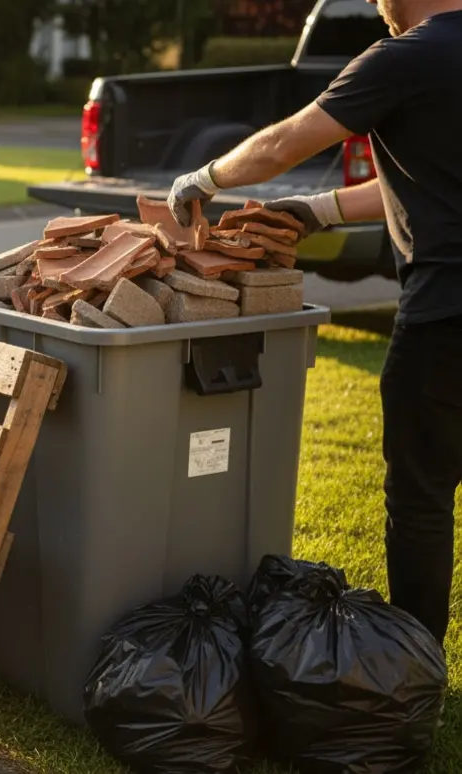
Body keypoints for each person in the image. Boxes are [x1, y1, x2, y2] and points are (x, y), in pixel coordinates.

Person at [167, 0, 462, 645]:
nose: (378, 7)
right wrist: (318, 208)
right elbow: (422, 178)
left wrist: (204, 177)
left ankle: (415, 664)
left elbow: (282, 145)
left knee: (421, 497)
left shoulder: (406, 56)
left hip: (446, 318)